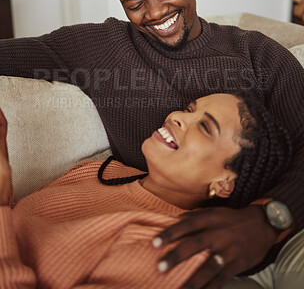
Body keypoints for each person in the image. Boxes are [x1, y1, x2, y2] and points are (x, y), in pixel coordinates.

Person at [0, 0, 303, 288]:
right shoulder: (101, 48)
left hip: (280, 232)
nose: (156, 12)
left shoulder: (258, 55)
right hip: (156, 244)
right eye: (135, 4)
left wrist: (268, 218)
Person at [0, 93, 292, 288]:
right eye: (191, 109)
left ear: (224, 182)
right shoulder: (105, 171)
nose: (178, 116)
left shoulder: (173, 250)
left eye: (204, 127)